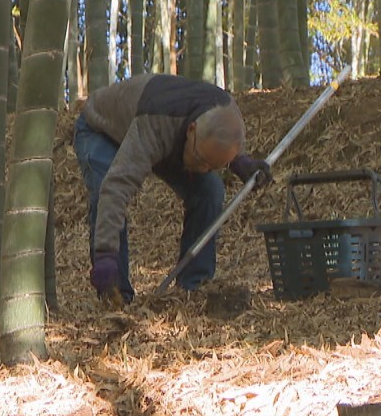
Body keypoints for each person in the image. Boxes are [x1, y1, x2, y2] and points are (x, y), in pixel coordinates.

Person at [73, 73, 272, 302]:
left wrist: (239, 161)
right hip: (103, 130)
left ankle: (193, 287)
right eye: (201, 160)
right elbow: (116, 188)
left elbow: (221, 146)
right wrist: (106, 253)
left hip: (169, 137)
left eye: (211, 166)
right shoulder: (155, 124)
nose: (202, 169)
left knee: (210, 190)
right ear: (191, 130)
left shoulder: (228, 117)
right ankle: (116, 294)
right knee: (104, 189)